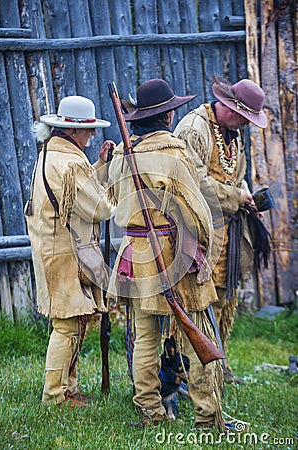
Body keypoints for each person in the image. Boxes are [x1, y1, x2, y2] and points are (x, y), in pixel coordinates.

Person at [107, 79, 225, 430]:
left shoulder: (121, 154)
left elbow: (113, 202)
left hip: (135, 251)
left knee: (145, 337)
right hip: (173, 253)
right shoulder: (174, 152)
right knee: (197, 333)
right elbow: (196, 210)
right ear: (168, 114)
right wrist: (201, 243)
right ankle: (207, 416)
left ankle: (150, 412)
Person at [174, 76, 268, 384]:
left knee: (227, 299)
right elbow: (193, 182)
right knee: (199, 300)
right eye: (244, 117)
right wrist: (238, 197)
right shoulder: (194, 128)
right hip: (199, 230)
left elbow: (235, 175)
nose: (246, 124)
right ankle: (189, 371)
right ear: (230, 107)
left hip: (228, 231)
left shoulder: (234, 133)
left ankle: (219, 364)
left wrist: (246, 196)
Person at [25, 95, 114, 408]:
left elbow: (78, 191)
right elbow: (100, 208)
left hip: (55, 249)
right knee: (67, 325)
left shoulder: (52, 152)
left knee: (73, 321)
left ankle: (68, 388)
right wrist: (112, 187)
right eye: (88, 130)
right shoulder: (71, 162)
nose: (92, 135)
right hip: (65, 254)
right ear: (73, 132)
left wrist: (101, 166)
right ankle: (55, 396)